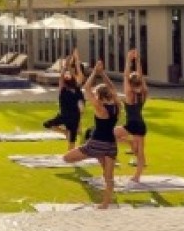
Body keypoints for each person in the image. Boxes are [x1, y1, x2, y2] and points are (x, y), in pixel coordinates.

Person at [63, 60, 120, 209]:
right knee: (109, 177)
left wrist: (95, 72)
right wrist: (103, 74)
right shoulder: (116, 105)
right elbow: (113, 88)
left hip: (96, 144)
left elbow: (86, 87)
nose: (93, 95)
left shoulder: (100, 108)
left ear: (99, 96)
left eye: (96, 94)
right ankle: (106, 203)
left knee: (67, 158)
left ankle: (105, 202)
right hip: (111, 145)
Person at [116, 49, 150, 183]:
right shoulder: (143, 93)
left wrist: (129, 60)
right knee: (140, 152)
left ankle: (129, 143)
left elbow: (125, 76)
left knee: (109, 133)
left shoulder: (129, 93)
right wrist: (138, 60)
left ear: (130, 83)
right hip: (140, 125)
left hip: (132, 125)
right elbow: (140, 77)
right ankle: (137, 176)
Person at [42, 50, 86, 150]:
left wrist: (71, 63)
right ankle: (67, 132)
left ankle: (70, 140)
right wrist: (67, 65)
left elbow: (76, 75)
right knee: (48, 125)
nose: (67, 75)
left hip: (73, 116)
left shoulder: (75, 87)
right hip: (67, 116)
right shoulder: (64, 88)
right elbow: (63, 76)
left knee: (71, 143)